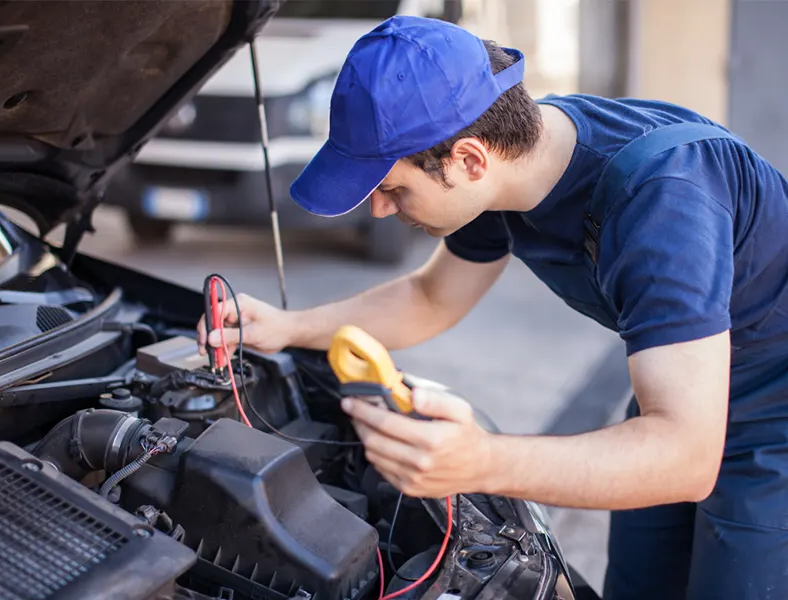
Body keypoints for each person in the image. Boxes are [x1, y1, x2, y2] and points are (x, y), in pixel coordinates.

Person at [196, 15, 788, 600]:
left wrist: (481, 461)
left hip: (772, 408)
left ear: (471, 160)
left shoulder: (663, 202)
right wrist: (287, 327)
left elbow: (685, 456)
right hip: (684, 380)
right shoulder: (516, 164)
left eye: (393, 188)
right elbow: (430, 297)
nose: (378, 210)